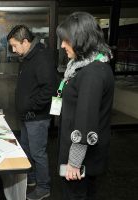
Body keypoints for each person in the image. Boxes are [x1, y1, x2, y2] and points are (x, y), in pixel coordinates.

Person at [56, 12, 114, 200]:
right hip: (82, 157)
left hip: (80, 160)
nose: (62, 45)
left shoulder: (92, 73)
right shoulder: (86, 66)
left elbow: (86, 121)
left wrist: (73, 163)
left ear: (80, 39)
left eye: (66, 40)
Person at [7, 25, 57, 200]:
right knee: (27, 149)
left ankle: (44, 187)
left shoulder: (42, 58)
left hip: (37, 117)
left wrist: (32, 107)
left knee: (38, 153)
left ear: (25, 41)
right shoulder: (27, 56)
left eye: (15, 45)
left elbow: (49, 88)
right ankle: (32, 178)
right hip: (27, 116)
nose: (13, 50)